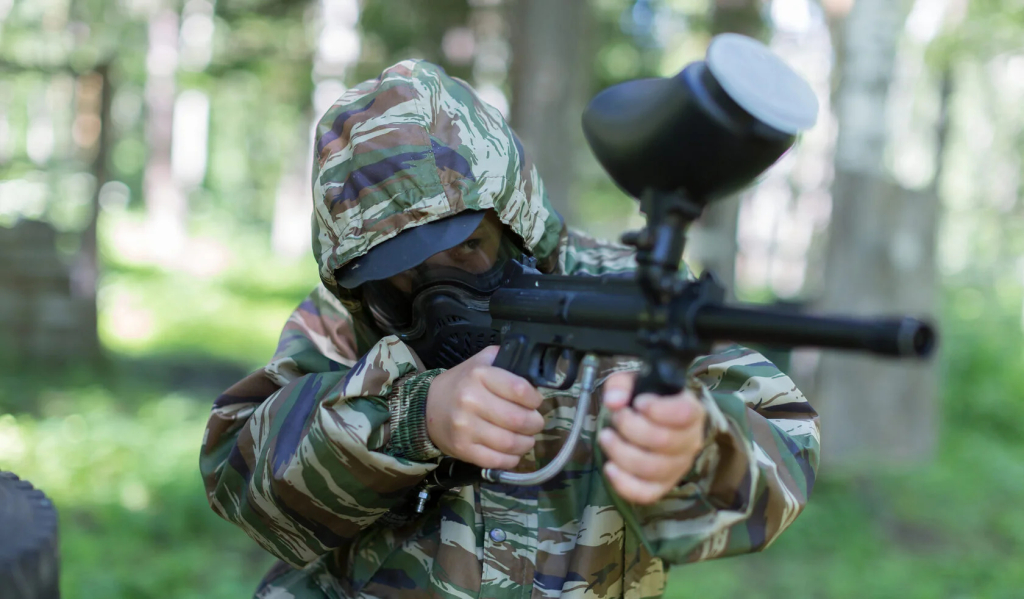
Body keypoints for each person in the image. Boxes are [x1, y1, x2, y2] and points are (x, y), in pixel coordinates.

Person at [200, 60, 820, 599]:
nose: (439, 295)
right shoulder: (347, 320)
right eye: (402, 274)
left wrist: (698, 445)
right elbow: (241, 479)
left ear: (517, 225)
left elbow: (786, 444)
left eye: (468, 248)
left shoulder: (623, 296)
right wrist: (414, 417)